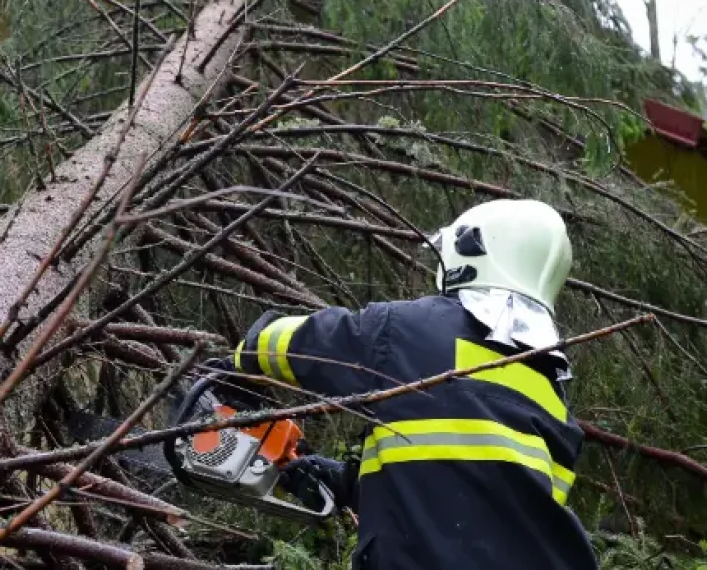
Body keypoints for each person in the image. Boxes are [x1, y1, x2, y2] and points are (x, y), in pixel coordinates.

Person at [225, 198, 598, 570]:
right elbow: (474, 507)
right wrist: (348, 484)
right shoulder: (551, 395)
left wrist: (241, 356)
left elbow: (308, 343)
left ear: (470, 252)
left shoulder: (410, 331)